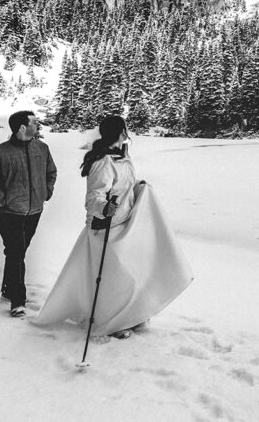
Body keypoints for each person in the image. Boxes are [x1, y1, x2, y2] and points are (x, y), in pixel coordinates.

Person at [31, 115, 192, 339]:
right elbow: (93, 197)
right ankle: (110, 323)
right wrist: (104, 207)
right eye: (125, 128)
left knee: (131, 274)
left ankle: (129, 316)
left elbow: (122, 186)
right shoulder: (103, 162)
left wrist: (138, 187)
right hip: (105, 227)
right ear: (119, 131)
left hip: (124, 223)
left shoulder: (122, 158)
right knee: (117, 278)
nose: (128, 132)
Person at [0, 110, 57, 317]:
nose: (37, 125)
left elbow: (51, 172)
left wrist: (45, 193)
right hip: (8, 212)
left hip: (34, 210)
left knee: (17, 251)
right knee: (16, 251)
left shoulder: (42, 148)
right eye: (34, 122)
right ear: (22, 127)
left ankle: (8, 288)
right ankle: (18, 300)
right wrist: (6, 201)